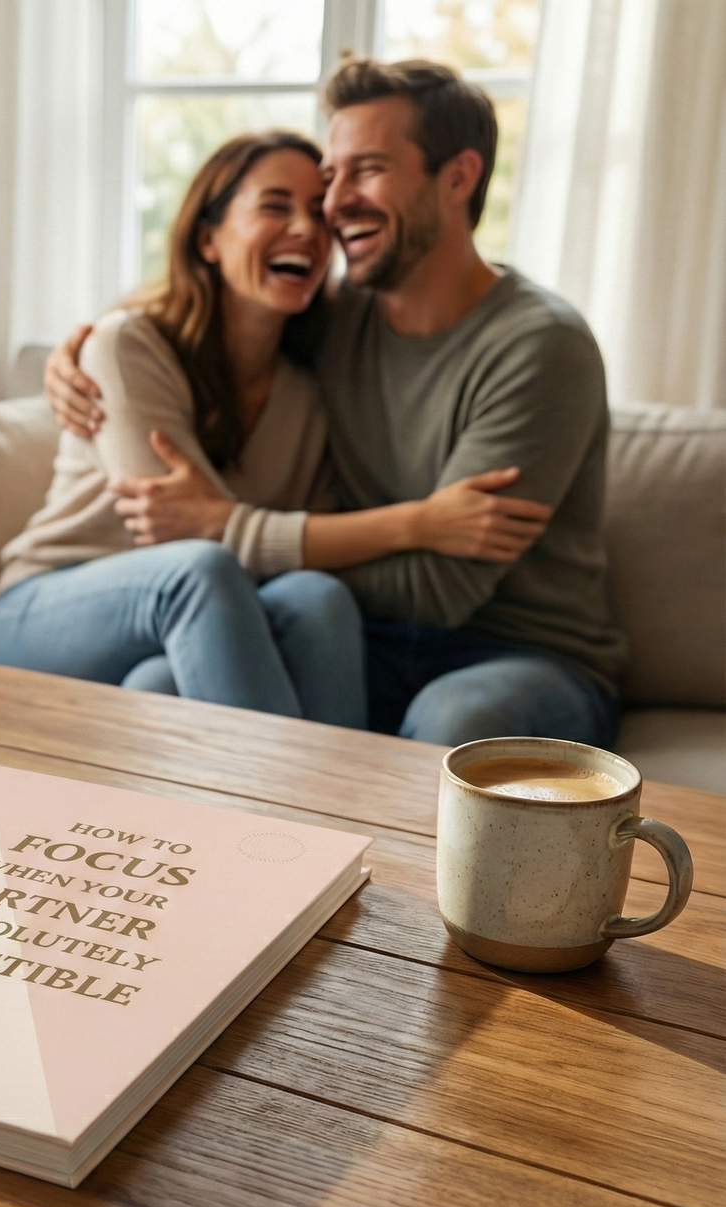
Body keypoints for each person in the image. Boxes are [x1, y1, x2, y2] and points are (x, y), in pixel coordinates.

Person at [46, 59, 626, 748]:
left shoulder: (538, 346)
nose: (331, 202)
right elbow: (213, 308)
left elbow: (440, 587)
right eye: (332, 174)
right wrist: (76, 349)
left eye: (367, 170)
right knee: (156, 688)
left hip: (518, 652)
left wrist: (229, 527)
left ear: (458, 177)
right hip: (360, 634)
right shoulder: (333, 320)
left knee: (453, 721)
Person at [0, 130, 547, 730]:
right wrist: (417, 523)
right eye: (275, 206)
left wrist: (284, 544)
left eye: (316, 214)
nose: (305, 229)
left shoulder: (308, 390)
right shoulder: (128, 346)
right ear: (208, 239)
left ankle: (335, 809)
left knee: (314, 598)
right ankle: (298, 821)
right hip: (49, 609)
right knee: (199, 570)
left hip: (205, 619)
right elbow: (181, 538)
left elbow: (291, 560)